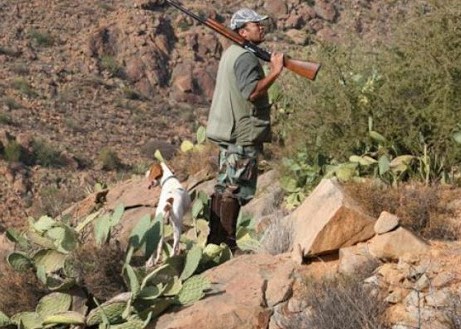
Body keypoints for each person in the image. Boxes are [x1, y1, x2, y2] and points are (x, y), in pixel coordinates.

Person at [205, 8, 284, 249]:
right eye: (255, 25)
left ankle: (215, 240)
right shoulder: (246, 58)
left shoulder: (232, 53)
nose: (261, 27)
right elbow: (251, 92)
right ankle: (228, 243)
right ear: (242, 31)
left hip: (231, 130)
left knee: (224, 186)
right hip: (243, 132)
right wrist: (275, 71)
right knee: (235, 188)